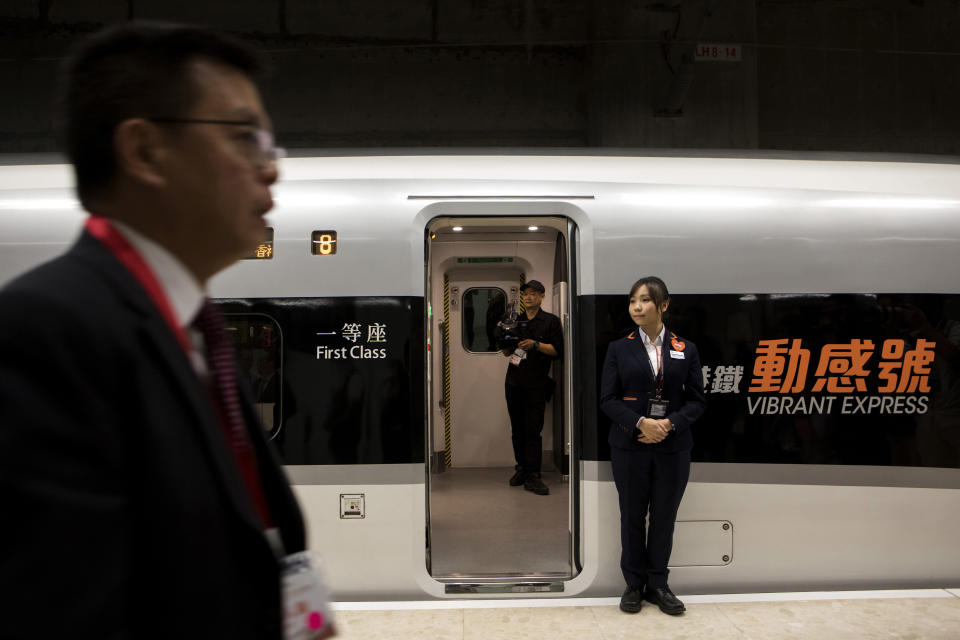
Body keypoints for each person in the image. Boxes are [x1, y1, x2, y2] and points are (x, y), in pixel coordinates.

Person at [0, 22, 329, 639]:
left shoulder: (195, 328)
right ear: (145, 152)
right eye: (243, 138)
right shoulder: (44, 331)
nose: (271, 170)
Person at [599, 276, 705, 616]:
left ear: (663, 305)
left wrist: (668, 425)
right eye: (632, 301)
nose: (637, 307)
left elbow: (697, 401)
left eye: (644, 300)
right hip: (629, 447)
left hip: (673, 448)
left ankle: (658, 584)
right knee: (632, 516)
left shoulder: (685, 348)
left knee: (664, 518)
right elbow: (608, 399)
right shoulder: (619, 347)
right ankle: (633, 585)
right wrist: (640, 423)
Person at [499, 280, 563, 495]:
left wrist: (534, 344)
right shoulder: (514, 320)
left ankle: (533, 475)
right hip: (514, 383)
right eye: (525, 294)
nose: (528, 297)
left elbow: (557, 351)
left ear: (542, 297)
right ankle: (521, 469)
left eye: (533, 294)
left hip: (537, 384)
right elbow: (507, 353)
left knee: (533, 429)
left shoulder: (550, 322)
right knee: (517, 429)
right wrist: (504, 335)